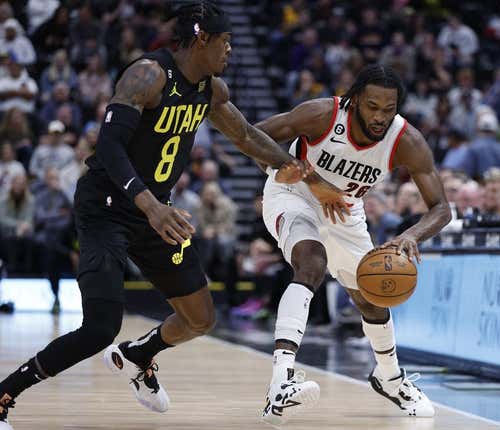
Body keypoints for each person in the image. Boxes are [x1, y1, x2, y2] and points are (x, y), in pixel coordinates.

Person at [0, 2, 315, 428]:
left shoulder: (209, 89)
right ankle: (5, 394)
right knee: (99, 328)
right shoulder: (148, 75)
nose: (230, 52)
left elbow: (243, 134)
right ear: (201, 38)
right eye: (225, 42)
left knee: (201, 318)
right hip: (107, 208)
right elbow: (109, 147)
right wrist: (149, 205)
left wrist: (290, 166)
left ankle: (139, 355)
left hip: (155, 213)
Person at [255, 65, 451, 425]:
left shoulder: (406, 140)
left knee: (373, 295)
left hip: (345, 210)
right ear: (357, 99)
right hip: (291, 194)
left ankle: (389, 378)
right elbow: (254, 136)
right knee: (311, 263)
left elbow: (442, 208)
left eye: (388, 109)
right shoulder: (322, 115)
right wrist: (302, 174)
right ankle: (280, 382)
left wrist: (411, 235)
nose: (379, 116)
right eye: (372, 106)